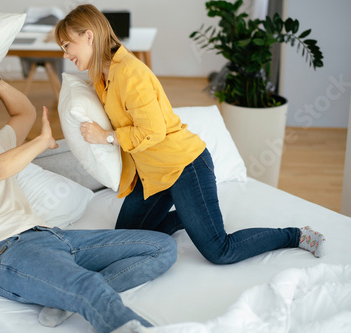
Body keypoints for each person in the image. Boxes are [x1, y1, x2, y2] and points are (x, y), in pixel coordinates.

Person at [0, 66, 177, 333]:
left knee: (162, 247)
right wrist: (41, 142)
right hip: (7, 255)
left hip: (53, 237)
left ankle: (63, 298)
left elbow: (24, 112)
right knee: (88, 285)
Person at [54, 4, 325, 264]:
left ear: (88, 36)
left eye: (67, 46)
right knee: (125, 241)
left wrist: (107, 136)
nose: (65, 54)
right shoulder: (103, 76)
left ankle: (297, 235)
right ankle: (188, 216)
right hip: (153, 174)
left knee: (220, 251)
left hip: (185, 166)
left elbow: (153, 132)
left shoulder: (129, 73)